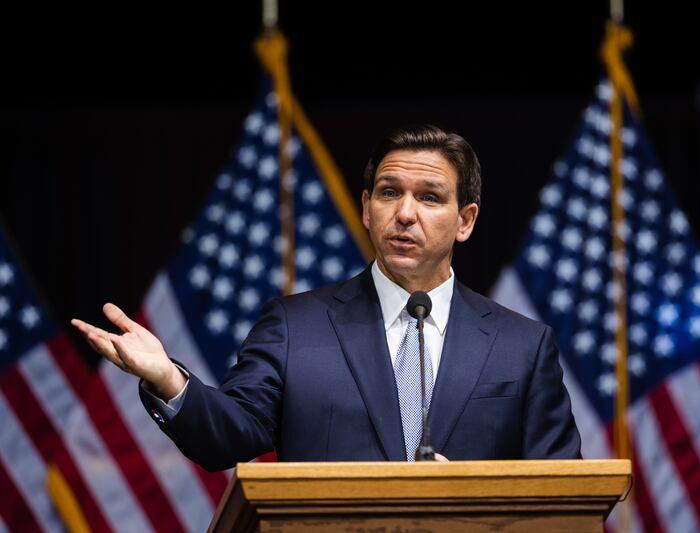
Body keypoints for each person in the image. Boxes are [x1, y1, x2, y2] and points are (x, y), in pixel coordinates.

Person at [72, 124, 581, 470]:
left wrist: (470, 497)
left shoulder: (523, 345)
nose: (405, 213)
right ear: (366, 208)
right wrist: (168, 378)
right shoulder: (295, 326)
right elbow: (228, 437)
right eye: (388, 192)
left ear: (465, 220)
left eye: (428, 197)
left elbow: (561, 493)